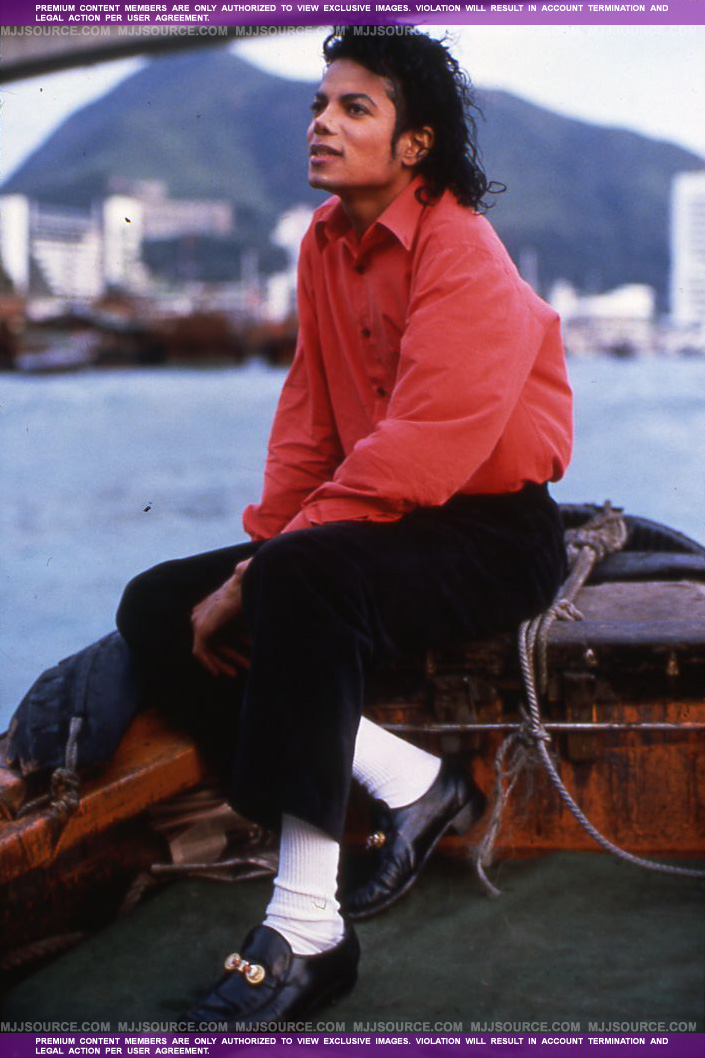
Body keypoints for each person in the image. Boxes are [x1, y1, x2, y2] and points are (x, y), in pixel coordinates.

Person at [116, 26, 573, 1028]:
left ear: (415, 143)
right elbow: (310, 422)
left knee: (297, 581)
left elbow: (423, 448)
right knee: (157, 604)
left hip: (491, 534)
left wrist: (268, 572)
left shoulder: (464, 252)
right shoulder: (324, 242)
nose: (321, 122)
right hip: (379, 518)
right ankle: (412, 782)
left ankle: (306, 927)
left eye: (354, 107)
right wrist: (256, 549)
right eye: (319, 104)